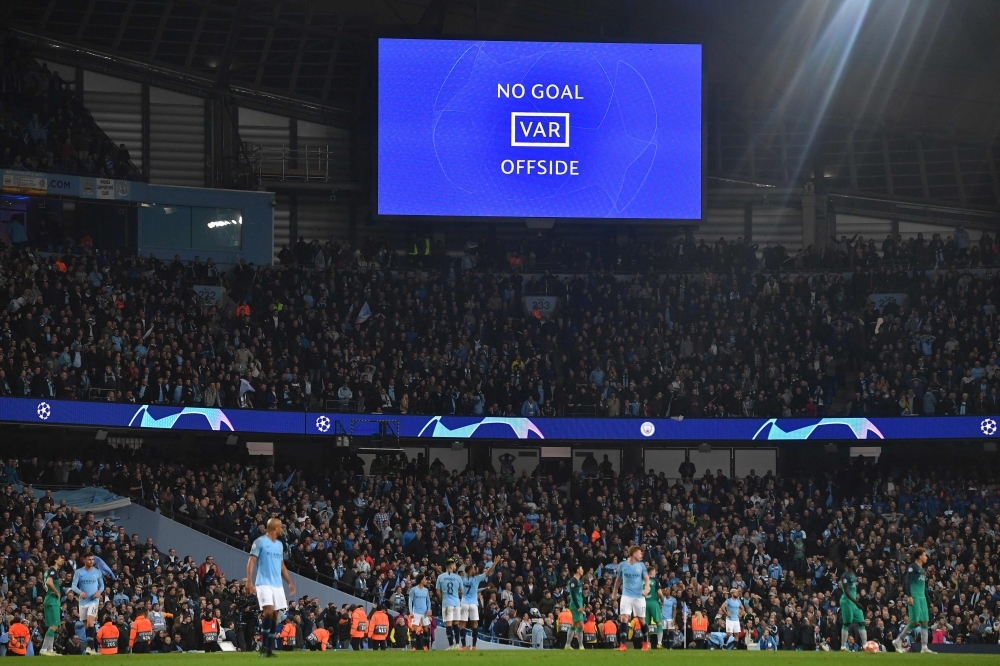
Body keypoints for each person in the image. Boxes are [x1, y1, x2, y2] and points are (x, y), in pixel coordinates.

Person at [246, 517, 296, 658]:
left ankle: (268, 649)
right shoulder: (260, 542)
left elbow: (282, 566)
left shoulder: (280, 545)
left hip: (277, 585)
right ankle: (263, 649)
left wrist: (289, 582)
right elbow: (251, 561)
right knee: (268, 611)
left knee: (274, 615)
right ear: (274, 528)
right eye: (280, 527)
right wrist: (249, 581)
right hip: (263, 583)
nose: (282, 529)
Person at [893, 548, 934, 654]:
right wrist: (909, 596)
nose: (926, 557)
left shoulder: (923, 570)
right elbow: (907, 581)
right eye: (925, 555)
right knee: (915, 622)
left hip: (922, 598)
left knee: (925, 621)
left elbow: (923, 587)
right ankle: (898, 640)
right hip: (915, 596)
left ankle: (924, 647)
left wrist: (929, 602)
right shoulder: (913, 567)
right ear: (920, 556)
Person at [610, 545, 649, 651]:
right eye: (640, 553)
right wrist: (614, 592)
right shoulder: (622, 565)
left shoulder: (641, 565)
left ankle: (645, 643)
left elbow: (646, 578)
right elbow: (618, 580)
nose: (641, 555)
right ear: (634, 553)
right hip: (626, 595)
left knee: (641, 620)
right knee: (624, 618)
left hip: (639, 597)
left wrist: (646, 589)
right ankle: (623, 645)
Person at [459, 555, 498, 650]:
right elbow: (488, 573)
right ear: (469, 571)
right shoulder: (476, 578)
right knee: (474, 625)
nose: (474, 570)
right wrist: (495, 563)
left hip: (464, 603)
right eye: (473, 569)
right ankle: (474, 646)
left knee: (462, 625)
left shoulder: (462, 579)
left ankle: (463, 646)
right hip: (473, 604)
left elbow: (459, 590)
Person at [71, 550, 105, 654]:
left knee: (91, 622)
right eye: (89, 559)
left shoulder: (97, 572)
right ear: (84, 560)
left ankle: (90, 648)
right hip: (83, 602)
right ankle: (92, 648)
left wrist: (99, 592)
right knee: (86, 626)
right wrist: (80, 592)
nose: (91, 561)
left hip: (93, 601)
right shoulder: (79, 572)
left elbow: (102, 586)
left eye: (92, 559)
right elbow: (73, 586)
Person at [839, 557, 868, 650]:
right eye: (855, 562)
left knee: (862, 622)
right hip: (847, 601)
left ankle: (865, 646)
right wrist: (856, 602)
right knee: (847, 623)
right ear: (850, 564)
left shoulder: (853, 574)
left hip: (854, 602)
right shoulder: (845, 576)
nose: (857, 563)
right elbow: (847, 592)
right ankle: (843, 647)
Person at [40, 552, 64, 655]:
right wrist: (56, 592)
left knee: (53, 625)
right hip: (52, 600)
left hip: (49, 600)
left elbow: (44, 584)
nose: (62, 560)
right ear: (55, 560)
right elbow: (49, 582)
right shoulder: (53, 571)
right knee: (54, 625)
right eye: (60, 558)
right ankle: (44, 649)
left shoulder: (47, 572)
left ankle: (50, 650)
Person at [436, 558, 463, 649]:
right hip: (456, 603)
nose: (455, 567)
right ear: (451, 566)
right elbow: (462, 591)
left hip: (447, 603)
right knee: (456, 624)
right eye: (455, 565)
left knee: (448, 625)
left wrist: (441, 599)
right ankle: (457, 644)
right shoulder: (458, 577)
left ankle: (451, 645)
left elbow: (438, 592)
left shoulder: (440, 577)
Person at [408, 573, 432, 651]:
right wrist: (411, 612)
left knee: (425, 629)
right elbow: (410, 601)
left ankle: (425, 646)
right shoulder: (413, 589)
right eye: (425, 579)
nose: (426, 581)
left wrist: (429, 610)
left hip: (424, 612)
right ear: (421, 580)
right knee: (414, 629)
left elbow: (428, 601)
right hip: (416, 612)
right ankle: (413, 647)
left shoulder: (426, 590)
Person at [566, 563, 586, 650]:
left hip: (579, 605)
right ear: (577, 570)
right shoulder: (573, 580)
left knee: (574, 625)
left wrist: (586, 603)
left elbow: (580, 595)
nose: (583, 570)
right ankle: (581, 646)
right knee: (581, 625)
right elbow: (573, 595)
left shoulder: (578, 581)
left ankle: (567, 645)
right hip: (575, 606)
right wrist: (578, 607)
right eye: (581, 568)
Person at [643, 563, 661, 649]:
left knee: (646, 624)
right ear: (650, 573)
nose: (655, 573)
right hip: (653, 602)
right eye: (654, 572)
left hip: (644, 602)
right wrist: (663, 601)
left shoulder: (642, 580)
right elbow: (660, 593)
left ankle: (646, 644)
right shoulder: (655, 581)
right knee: (659, 623)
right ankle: (659, 643)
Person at [660, 585, 677, 649]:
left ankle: (671, 647)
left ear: (669, 591)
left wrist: (674, 619)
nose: (665, 591)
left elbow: (674, 610)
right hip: (663, 618)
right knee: (664, 632)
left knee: (671, 632)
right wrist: (662, 591)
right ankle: (664, 646)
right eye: (665, 590)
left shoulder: (673, 600)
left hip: (670, 618)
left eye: (666, 590)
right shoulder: (662, 598)